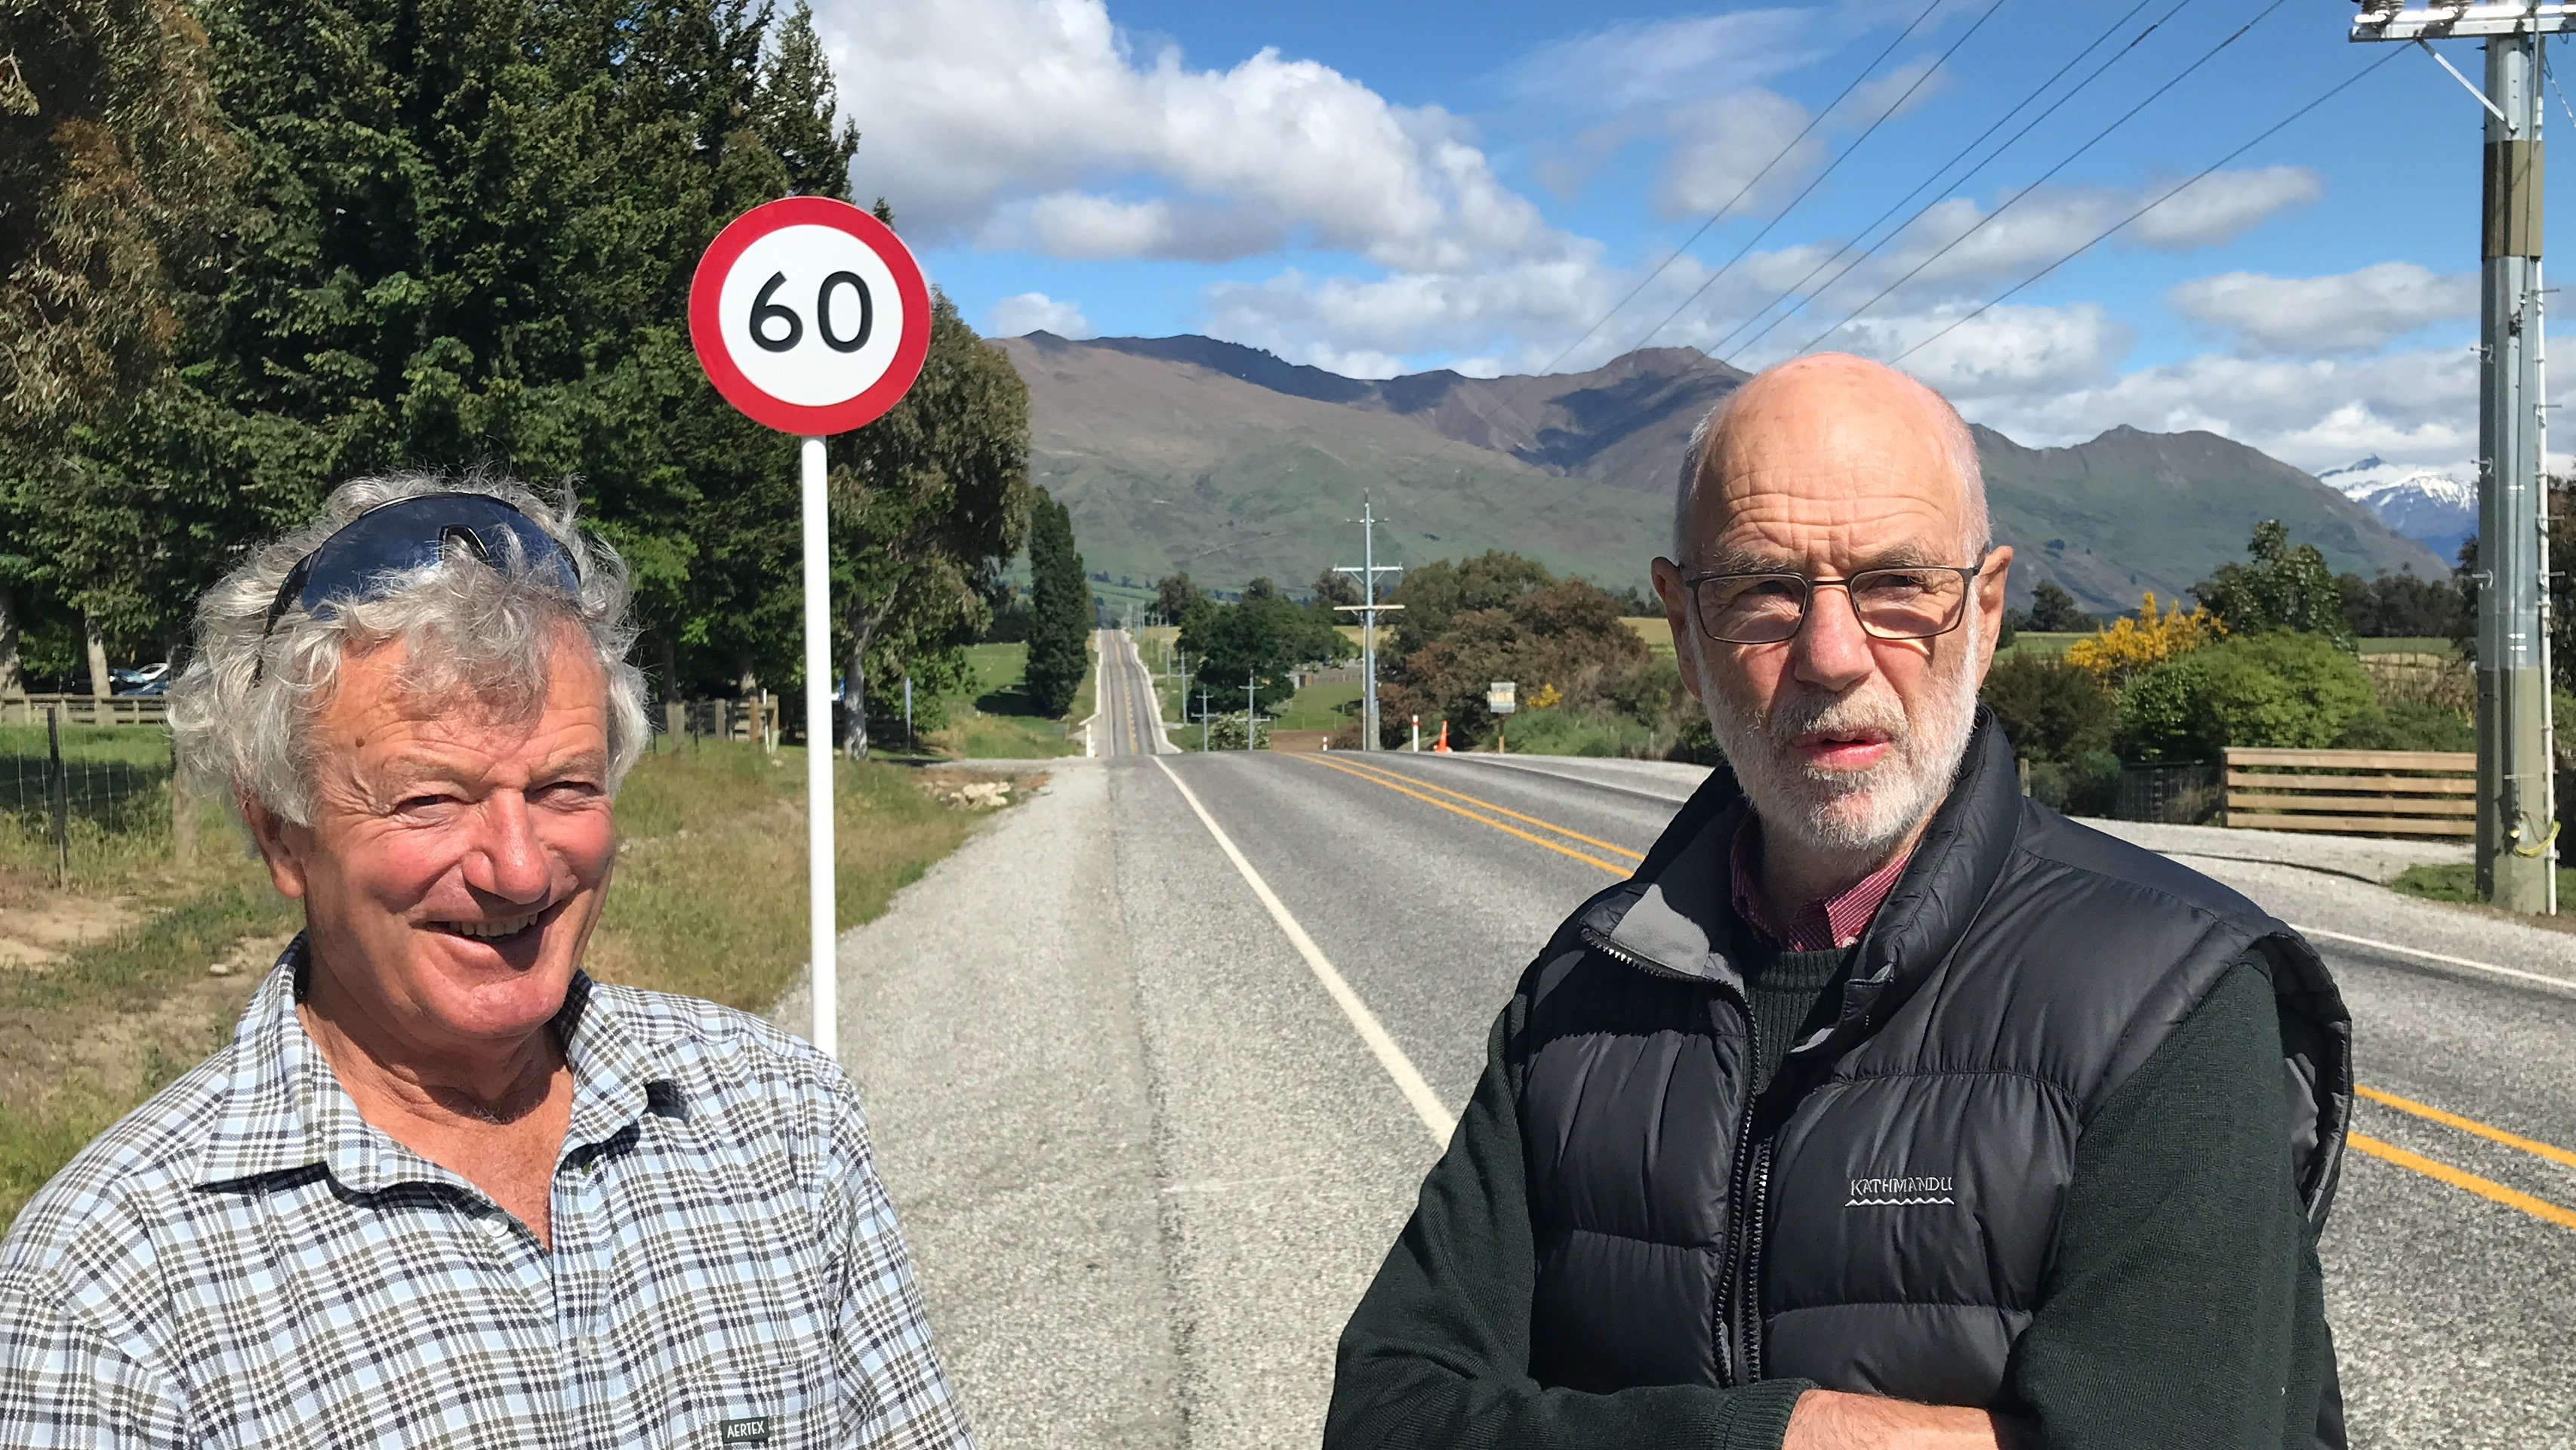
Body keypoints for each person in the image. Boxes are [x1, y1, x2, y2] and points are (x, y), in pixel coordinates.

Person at [1324, 354, 2350, 1450]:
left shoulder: (2170, 1002)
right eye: (1764, 592)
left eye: (1899, 585)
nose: (1831, 655)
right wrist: (1785, 1437)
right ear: (1682, 625)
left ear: (1987, 610)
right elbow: (1390, 1409)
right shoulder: (1587, 988)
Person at [0, 477, 972, 1448]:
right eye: (429, 800)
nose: (516, 869)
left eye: (564, 787)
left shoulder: (781, 1123)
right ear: (281, 839)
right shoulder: (106, 1296)